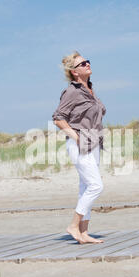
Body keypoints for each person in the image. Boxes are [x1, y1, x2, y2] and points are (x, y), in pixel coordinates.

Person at [52, 51, 107, 244]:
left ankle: (83, 232)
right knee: (95, 186)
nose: (88, 65)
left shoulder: (89, 89)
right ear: (74, 72)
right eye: (83, 64)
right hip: (80, 144)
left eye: (88, 62)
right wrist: (76, 138)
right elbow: (58, 118)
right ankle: (73, 225)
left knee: (85, 188)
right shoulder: (72, 91)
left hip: (94, 143)